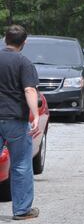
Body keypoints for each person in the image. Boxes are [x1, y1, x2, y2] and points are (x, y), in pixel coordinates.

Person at [0, 25, 40, 220]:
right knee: (21, 165)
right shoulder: (23, 62)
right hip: (15, 120)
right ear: (24, 42)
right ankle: (22, 210)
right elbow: (30, 91)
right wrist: (36, 115)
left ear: (5, 39)